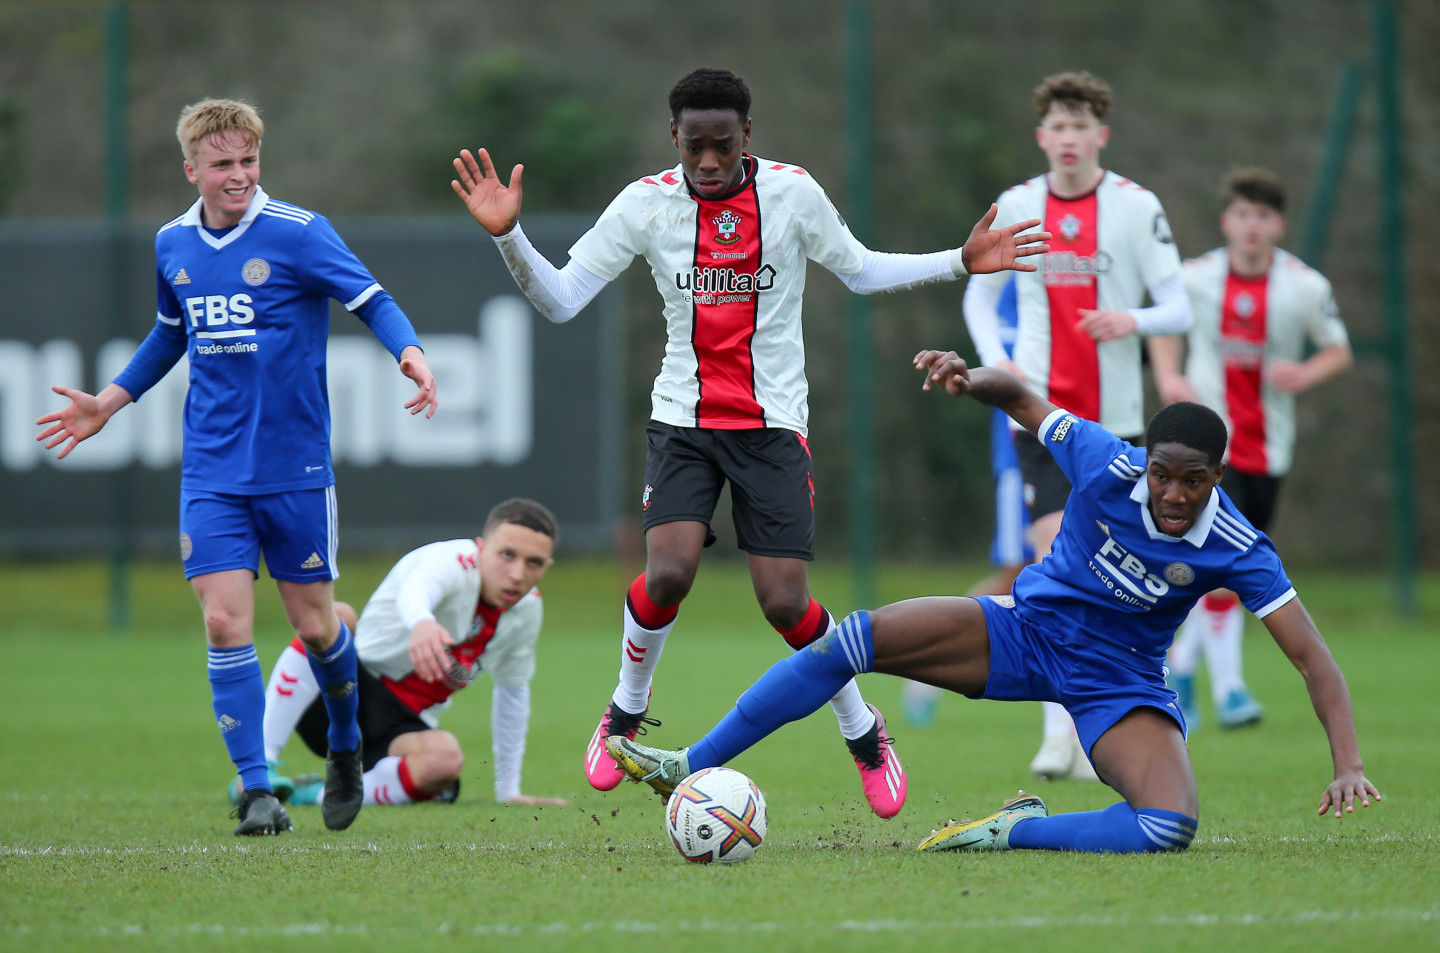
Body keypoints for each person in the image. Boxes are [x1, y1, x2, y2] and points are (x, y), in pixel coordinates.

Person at [449, 67, 1049, 819]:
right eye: (694, 146)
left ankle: (864, 730)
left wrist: (959, 260)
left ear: (747, 137)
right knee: (666, 574)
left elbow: (859, 271)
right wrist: (511, 237)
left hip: (770, 429)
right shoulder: (645, 204)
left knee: (784, 602)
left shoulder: (792, 193)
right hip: (683, 423)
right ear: (674, 138)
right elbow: (564, 299)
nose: (708, 161)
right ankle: (626, 711)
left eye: (722, 146)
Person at [607, 351, 1380, 854]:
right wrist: (966, 378)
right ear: (1146, 460)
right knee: (850, 641)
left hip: (1121, 679)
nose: (1174, 494)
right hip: (1024, 630)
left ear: (1217, 477)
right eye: (1164, 473)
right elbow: (1023, 397)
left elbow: (1313, 658)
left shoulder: (1239, 545)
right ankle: (687, 763)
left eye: (1194, 480)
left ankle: (1017, 829)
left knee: (1166, 825)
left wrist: (1347, 763)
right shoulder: (1106, 460)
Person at [34, 98, 438, 836]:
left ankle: (346, 745)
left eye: (248, 161)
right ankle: (258, 789)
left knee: (317, 627)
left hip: (295, 469)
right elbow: (168, 334)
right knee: (224, 622)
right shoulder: (172, 244)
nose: (239, 176)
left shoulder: (299, 232)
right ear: (192, 169)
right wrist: (109, 402)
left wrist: (409, 353)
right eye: (222, 164)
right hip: (213, 472)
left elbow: (372, 299)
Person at [963, 71, 1192, 780]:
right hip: (1038, 420)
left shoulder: (1135, 206)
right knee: (1052, 563)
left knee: (1115, 576)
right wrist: (1001, 363)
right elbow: (979, 297)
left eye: (1080, 125)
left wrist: (1133, 319)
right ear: (1042, 137)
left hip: (1117, 422)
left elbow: (1179, 307)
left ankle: (1110, 717)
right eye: (1057, 127)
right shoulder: (1019, 205)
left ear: (1102, 134)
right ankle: (1058, 733)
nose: (1068, 138)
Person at [1149, 168, 1353, 729]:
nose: (1252, 226)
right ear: (1226, 221)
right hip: (1212, 454)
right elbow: (1163, 324)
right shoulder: (1197, 278)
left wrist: (1307, 372)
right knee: (1223, 563)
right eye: (1242, 214)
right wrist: (1169, 375)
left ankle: (1183, 665)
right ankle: (1232, 690)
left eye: (1262, 216)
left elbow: (1339, 349)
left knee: (1221, 569)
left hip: (1271, 448)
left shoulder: (1304, 286)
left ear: (1278, 224)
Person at [251, 498, 569, 810]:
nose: (517, 574)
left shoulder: (527, 610)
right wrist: (422, 622)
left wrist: (508, 790)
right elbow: (416, 590)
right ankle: (258, 771)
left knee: (445, 761)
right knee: (338, 617)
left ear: (547, 566)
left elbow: (513, 693)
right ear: (481, 548)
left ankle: (320, 794)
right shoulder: (451, 561)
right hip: (340, 695)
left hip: (398, 729)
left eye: (534, 562)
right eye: (507, 554)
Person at [902, 276, 1034, 728]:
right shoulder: (1005, 296)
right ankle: (925, 667)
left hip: (1077, 454)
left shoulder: (1083, 281)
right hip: (1023, 462)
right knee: (1015, 576)